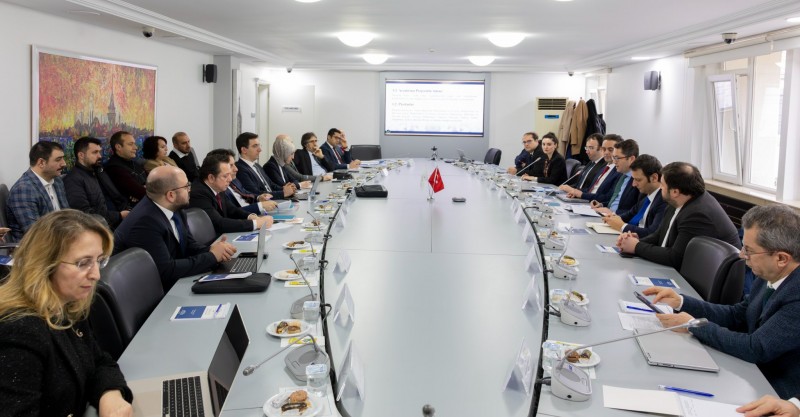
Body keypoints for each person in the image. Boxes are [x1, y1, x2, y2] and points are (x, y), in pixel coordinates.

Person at [644, 204, 800, 398]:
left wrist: (693, 326)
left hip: (776, 390)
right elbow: (737, 315)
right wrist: (681, 302)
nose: (742, 255)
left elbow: (756, 348)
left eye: (749, 250)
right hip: (750, 371)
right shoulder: (769, 272)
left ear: (782, 258)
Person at [0, 209, 133, 416]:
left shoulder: (67, 305)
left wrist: (111, 395)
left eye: (99, 260)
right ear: (45, 264)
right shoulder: (19, 331)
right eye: (83, 263)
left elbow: (99, 361)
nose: (96, 275)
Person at [113, 166, 237, 291]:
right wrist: (212, 256)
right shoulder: (145, 222)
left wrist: (214, 250)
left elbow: (189, 246)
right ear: (171, 195)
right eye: (186, 186)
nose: (190, 189)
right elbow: (166, 270)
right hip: (151, 292)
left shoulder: (174, 208)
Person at [617, 162, 741, 268]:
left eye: (662, 185)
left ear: (675, 192)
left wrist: (637, 246)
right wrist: (634, 241)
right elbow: (659, 235)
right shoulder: (678, 200)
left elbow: (675, 258)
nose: (660, 188)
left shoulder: (697, 214)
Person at [189, 153, 273, 234]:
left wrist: (251, 216)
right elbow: (219, 223)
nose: (230, 179)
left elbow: (232, 210)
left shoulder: (217, 187)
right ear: (211, 178)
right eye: (225, 176)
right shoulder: (198, 193)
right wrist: (256, 224)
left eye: (229, 174)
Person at [63, 137, 131, 229]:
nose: (100, 156)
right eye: (95, 152)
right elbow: (82, 214)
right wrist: (119, 216)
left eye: (99, 152)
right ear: (81, 155)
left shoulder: (98, 171)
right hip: (99, 228)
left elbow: (114, 195)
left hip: (115, 221)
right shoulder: (73, 179)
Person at [7, 141, 68, 241]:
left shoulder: (57, 181)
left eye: (63, 158)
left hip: (61, 240)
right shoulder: (24, 189)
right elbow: (36, 233)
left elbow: (67, 217)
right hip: (36, 247)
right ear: (41, 163)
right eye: (58, 159)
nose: (64, 163)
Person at [601, 154, 666, 239]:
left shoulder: (664, 200)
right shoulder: (646, 195)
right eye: (633, 179)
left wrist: (622, 226)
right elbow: (630, 214)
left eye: (638, 180)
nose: (633, 184)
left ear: (654, 178)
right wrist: (613, 218)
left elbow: (652, 233)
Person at [206, 149, 278, 215]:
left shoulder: (234, 180)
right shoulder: (219, 188)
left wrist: (259, 198)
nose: (236, 169)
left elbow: (245, 193)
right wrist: (259, 207)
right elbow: (231, 213)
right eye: (231, 165)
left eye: (234, 164)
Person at [234, 132, 295, 199]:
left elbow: (271, 185)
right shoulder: (240, 169)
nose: (260, 150)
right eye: (255, 146)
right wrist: (283, 193)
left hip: (274, 200)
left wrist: (285, 189)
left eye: (259, 145)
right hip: (265, 203)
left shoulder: (257, 166)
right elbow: (254, 193)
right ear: (244, 150)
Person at [564, 134, 622, 200]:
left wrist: (581, 194)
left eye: (610, 150)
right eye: (604, 149)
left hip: (593, 202)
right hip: (585, 200)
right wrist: (575, 192)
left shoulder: (619, 171)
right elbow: (590, 189)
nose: (606, 152)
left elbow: (608, 198)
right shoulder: (603, 168)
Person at [592, 138, 641, 214]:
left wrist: (612, 212)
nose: (614, 161)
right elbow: (615, 201)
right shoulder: (621, 175)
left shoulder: (639, 180)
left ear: (631, 159)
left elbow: (636, 211)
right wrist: (602, 205)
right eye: (613, 157)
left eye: (617, 158)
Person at [104, 131, 146, 206]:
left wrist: (142, 190)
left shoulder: (134, 163)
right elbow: (141, 192)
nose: (135, 147)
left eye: (134, 144)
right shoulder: (114, 168)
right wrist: (142, 190)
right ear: (118, 147)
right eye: (130, 144)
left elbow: (152, 182)